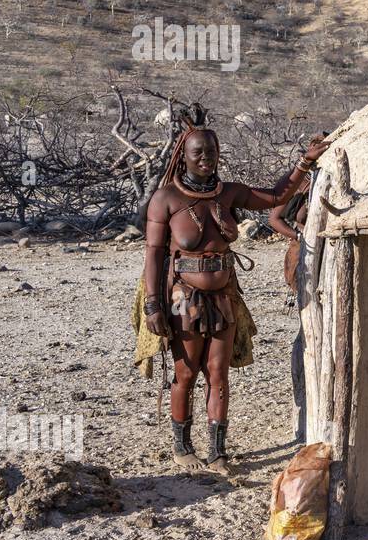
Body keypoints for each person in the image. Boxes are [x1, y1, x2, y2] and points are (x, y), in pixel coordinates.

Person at [136, 118, 330, 473]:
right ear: (184, 157)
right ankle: (182, 447)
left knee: (218, 372)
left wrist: (305, 161)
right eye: (199, 153)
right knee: (186, 372)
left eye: (212, 152)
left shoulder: (228, 193)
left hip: (224, 296)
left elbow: (275, 197)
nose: (207, 158)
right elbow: (152, 252)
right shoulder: (165, 199)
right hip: (182, 299)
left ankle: (218, 452)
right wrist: (153, 305)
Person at [267, 172, 313, 443]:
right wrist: (299, 234)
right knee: (307, 328)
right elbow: (274, 218)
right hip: (302, 256)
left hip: (315, 253)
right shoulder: (299, 183)